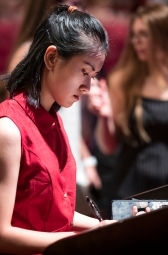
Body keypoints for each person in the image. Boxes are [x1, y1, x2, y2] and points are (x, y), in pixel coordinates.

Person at [0, 5, 117, 255]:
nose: (87, 86)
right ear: (52, 58)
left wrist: (104, 227)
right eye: (84, 71)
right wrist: (79, 240)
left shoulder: (53, 120)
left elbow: (57, 213)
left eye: (93, 75)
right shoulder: (8, 128)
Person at [88, 3, 168, 203]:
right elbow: (109, 147)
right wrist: (104, 117)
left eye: (144, 34)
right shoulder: (123, 80)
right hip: (131, 187)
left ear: (167, 35)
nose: (136, 41)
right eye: (134, 35)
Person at [7, 0, 101, 217]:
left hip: (65, 154)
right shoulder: (30, 53)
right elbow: (20, 116)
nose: (76, 8)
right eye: (71, 2)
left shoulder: (56, 120)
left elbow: (73, 126)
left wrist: (86, 159)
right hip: (42, 161)